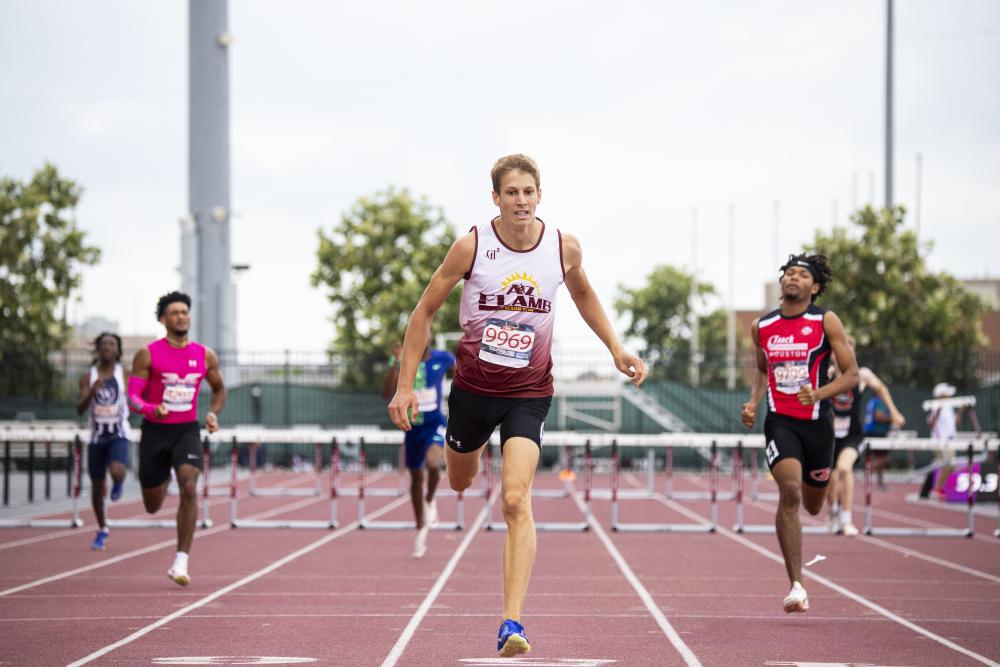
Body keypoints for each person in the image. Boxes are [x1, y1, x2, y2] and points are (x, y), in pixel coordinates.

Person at [388, 154, 647, 656]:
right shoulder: (472, 246)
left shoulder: (562, 247)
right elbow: (424, 312)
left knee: (514, 499)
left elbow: (586, 296)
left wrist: (617, 349)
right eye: (512, 193)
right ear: (496, 199)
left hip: (528, 394)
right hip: (473, 391)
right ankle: (471, 448)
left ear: (539, 195)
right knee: (461, 480)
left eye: (529, 192)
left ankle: (512, 623)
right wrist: (405, 386)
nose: (521, 201)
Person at [741, 253, 858, 614]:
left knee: (812, 503)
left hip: (818, 424)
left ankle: (816, 501)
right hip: (781, 421)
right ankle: (797, 585)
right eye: (788, 274)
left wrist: (819, 393)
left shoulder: (825, 322)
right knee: (789, 491)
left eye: (802, 275)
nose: (793, 279)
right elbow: (762, 370)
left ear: (815, 287)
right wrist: (753, 402)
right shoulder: (762, 327)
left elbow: (851, 374)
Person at [127, 291, 226, 586]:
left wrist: (212, 414)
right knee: (152, 505)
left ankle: (180, 562)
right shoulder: (148, 354)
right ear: (163, 319)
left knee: (189, 486)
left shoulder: (205, 354)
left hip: (186, 430)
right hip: (155, 433)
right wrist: (149, 408)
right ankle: (162, 476)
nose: (181, 316)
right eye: (174, 312)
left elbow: (220, 389)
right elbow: (132, 396)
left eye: (185, 311)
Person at [382, 341, 456, 558]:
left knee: (433, 464)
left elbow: (458, 373)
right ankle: (420, 528)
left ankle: (430, 499)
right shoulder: (405, 362)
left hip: (435, 424)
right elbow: (386, 393)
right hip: (412, 427)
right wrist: (396, 362)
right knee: (415, 479)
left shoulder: (442, 357)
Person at [825, 337, 905, 535]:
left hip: (852, 435)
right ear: (832, 354)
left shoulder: (861, 375)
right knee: (830, 480)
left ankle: (847, 520)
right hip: (827, 436)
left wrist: (893, 412)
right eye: (838, 350)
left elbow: (881, 388)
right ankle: (833, 511)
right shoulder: (825, 374)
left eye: (848, 349)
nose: (843, 353)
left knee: (844, 469)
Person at [75, 332, 133, 551]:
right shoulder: (87, 377)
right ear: (98, 349)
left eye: (112, 344)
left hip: (119, 433)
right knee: (97, 485)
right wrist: (91, 392)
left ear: (118, 350)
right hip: (96, 436)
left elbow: (136, 396)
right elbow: (80, 409)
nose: (108, 347)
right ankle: (102, 529)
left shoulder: (124, 374)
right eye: (104, 344)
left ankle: (118, 482)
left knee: (117, 470)